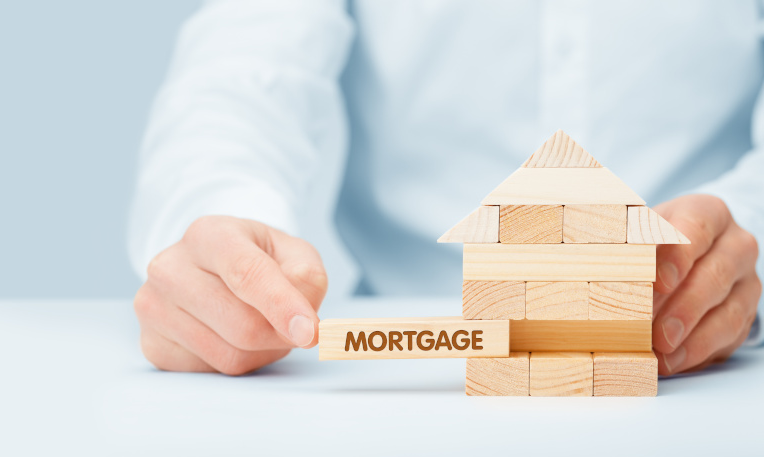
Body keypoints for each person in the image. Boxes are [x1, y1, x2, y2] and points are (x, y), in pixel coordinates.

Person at [128, 0, 764, 376]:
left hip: (702, 368)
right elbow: (241, 76)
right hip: (392, 376)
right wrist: (224, 233)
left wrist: (745, 234)